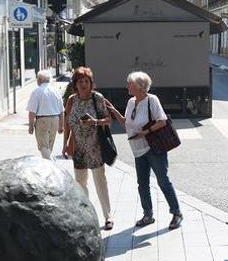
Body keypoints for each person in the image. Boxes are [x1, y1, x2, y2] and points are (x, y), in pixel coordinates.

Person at [125, 71, 183, 230]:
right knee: (142, 183)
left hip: (153, 148)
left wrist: (145, 132)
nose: (127, 85)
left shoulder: (152, 100)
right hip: (137, 149)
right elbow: (127, 122)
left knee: (163, 181)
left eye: (130, 83)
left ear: (140, 86)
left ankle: (176, 213)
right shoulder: (131, 102)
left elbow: (162, 121)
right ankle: (148, 214)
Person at [63, 67, 117, 230]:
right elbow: (67, 123)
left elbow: (109, 120)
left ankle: (108, 216)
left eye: (86, 81)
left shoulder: (97, 98)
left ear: (91, 83)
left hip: (96, 147)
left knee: (100, 181)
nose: (84, 84)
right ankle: (86, 215)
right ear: (75, 84)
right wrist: (65, 144)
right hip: (79, 148)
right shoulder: (72, 100)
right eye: (80, 81)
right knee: (80, 183)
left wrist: (94, 121)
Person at [27, 70, 64, 159]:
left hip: (42, 120)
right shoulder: (56, 92)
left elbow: (32, 111)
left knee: (43, 146)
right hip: (55, 119)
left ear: (39, 79)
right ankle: (48, 165)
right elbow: (61, 111)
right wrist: (61, 126)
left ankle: (51, 162)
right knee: (49, 146)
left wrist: (31, 125)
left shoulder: (36, 91)